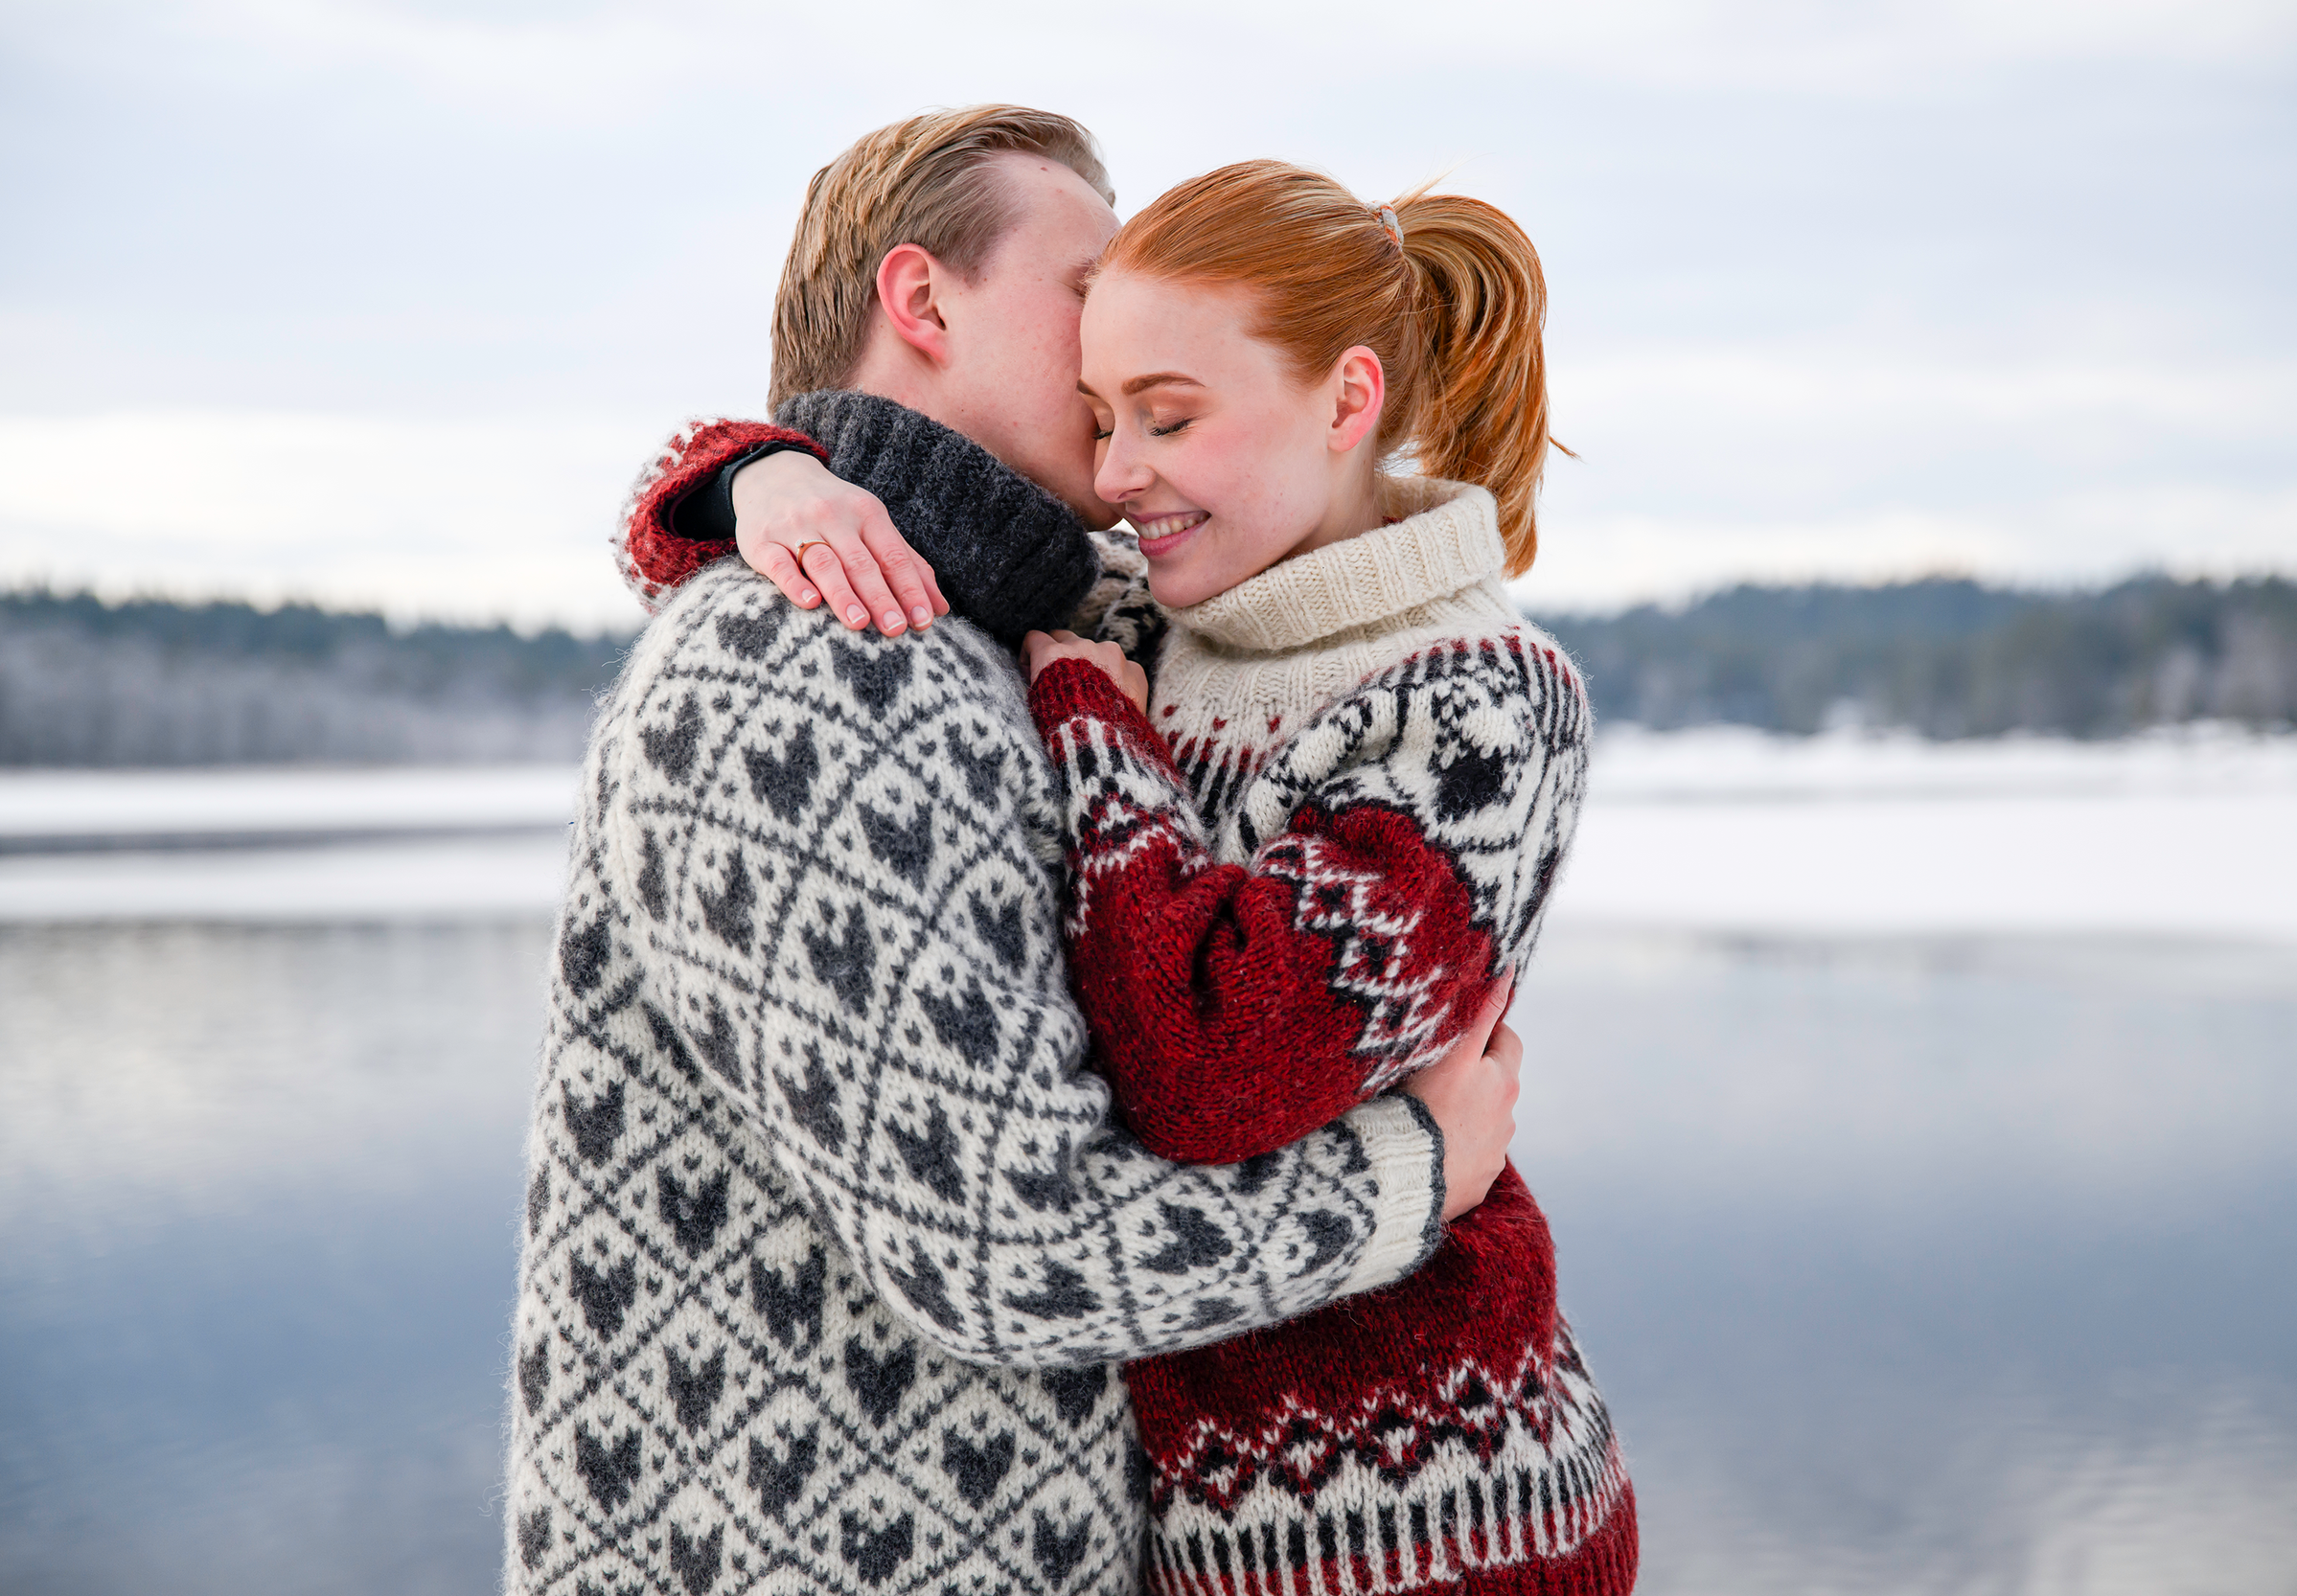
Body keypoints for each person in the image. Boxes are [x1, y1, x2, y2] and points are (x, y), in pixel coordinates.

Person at [506, 106, 1526, 1596]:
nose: (1126, 336)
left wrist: (743, 468)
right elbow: (1010, 1241)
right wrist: (1410, 1177)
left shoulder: (1028, 628)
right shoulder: (799, 665)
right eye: (1087, 289)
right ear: (921, 302)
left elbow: (1318, 529)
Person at [1017, 162, 1634, 1594]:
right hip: (1221, 1526)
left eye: (1169, 418)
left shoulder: (1479, 704)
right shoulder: (1175, 622)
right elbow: (907, 516)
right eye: (1101, 420)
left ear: (1348, 401)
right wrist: (757, 476)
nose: (1115, 475)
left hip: (1438, 1527)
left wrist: (1101, 744)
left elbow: (1213, 1065)